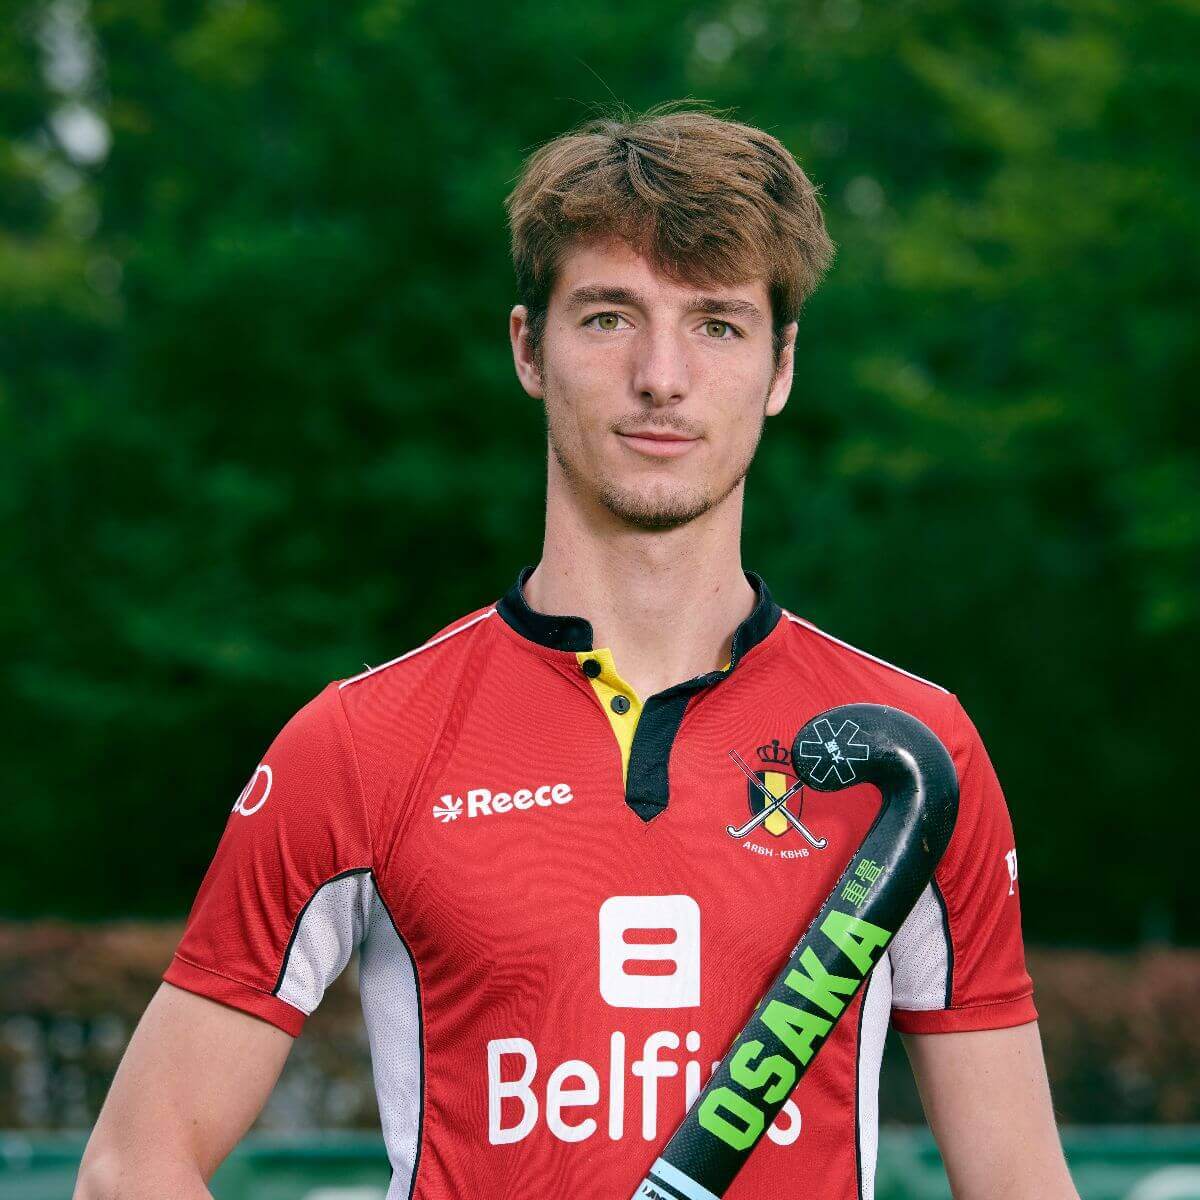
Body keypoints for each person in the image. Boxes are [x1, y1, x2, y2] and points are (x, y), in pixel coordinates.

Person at [74, 103, 1079, 1200]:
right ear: (528, 348)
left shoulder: (920, 752)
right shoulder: (363, 744)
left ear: (781, 367)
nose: (662, 376)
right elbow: (133, 1166)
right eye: (608, 318)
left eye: (718, 325)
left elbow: (1019, 1182)